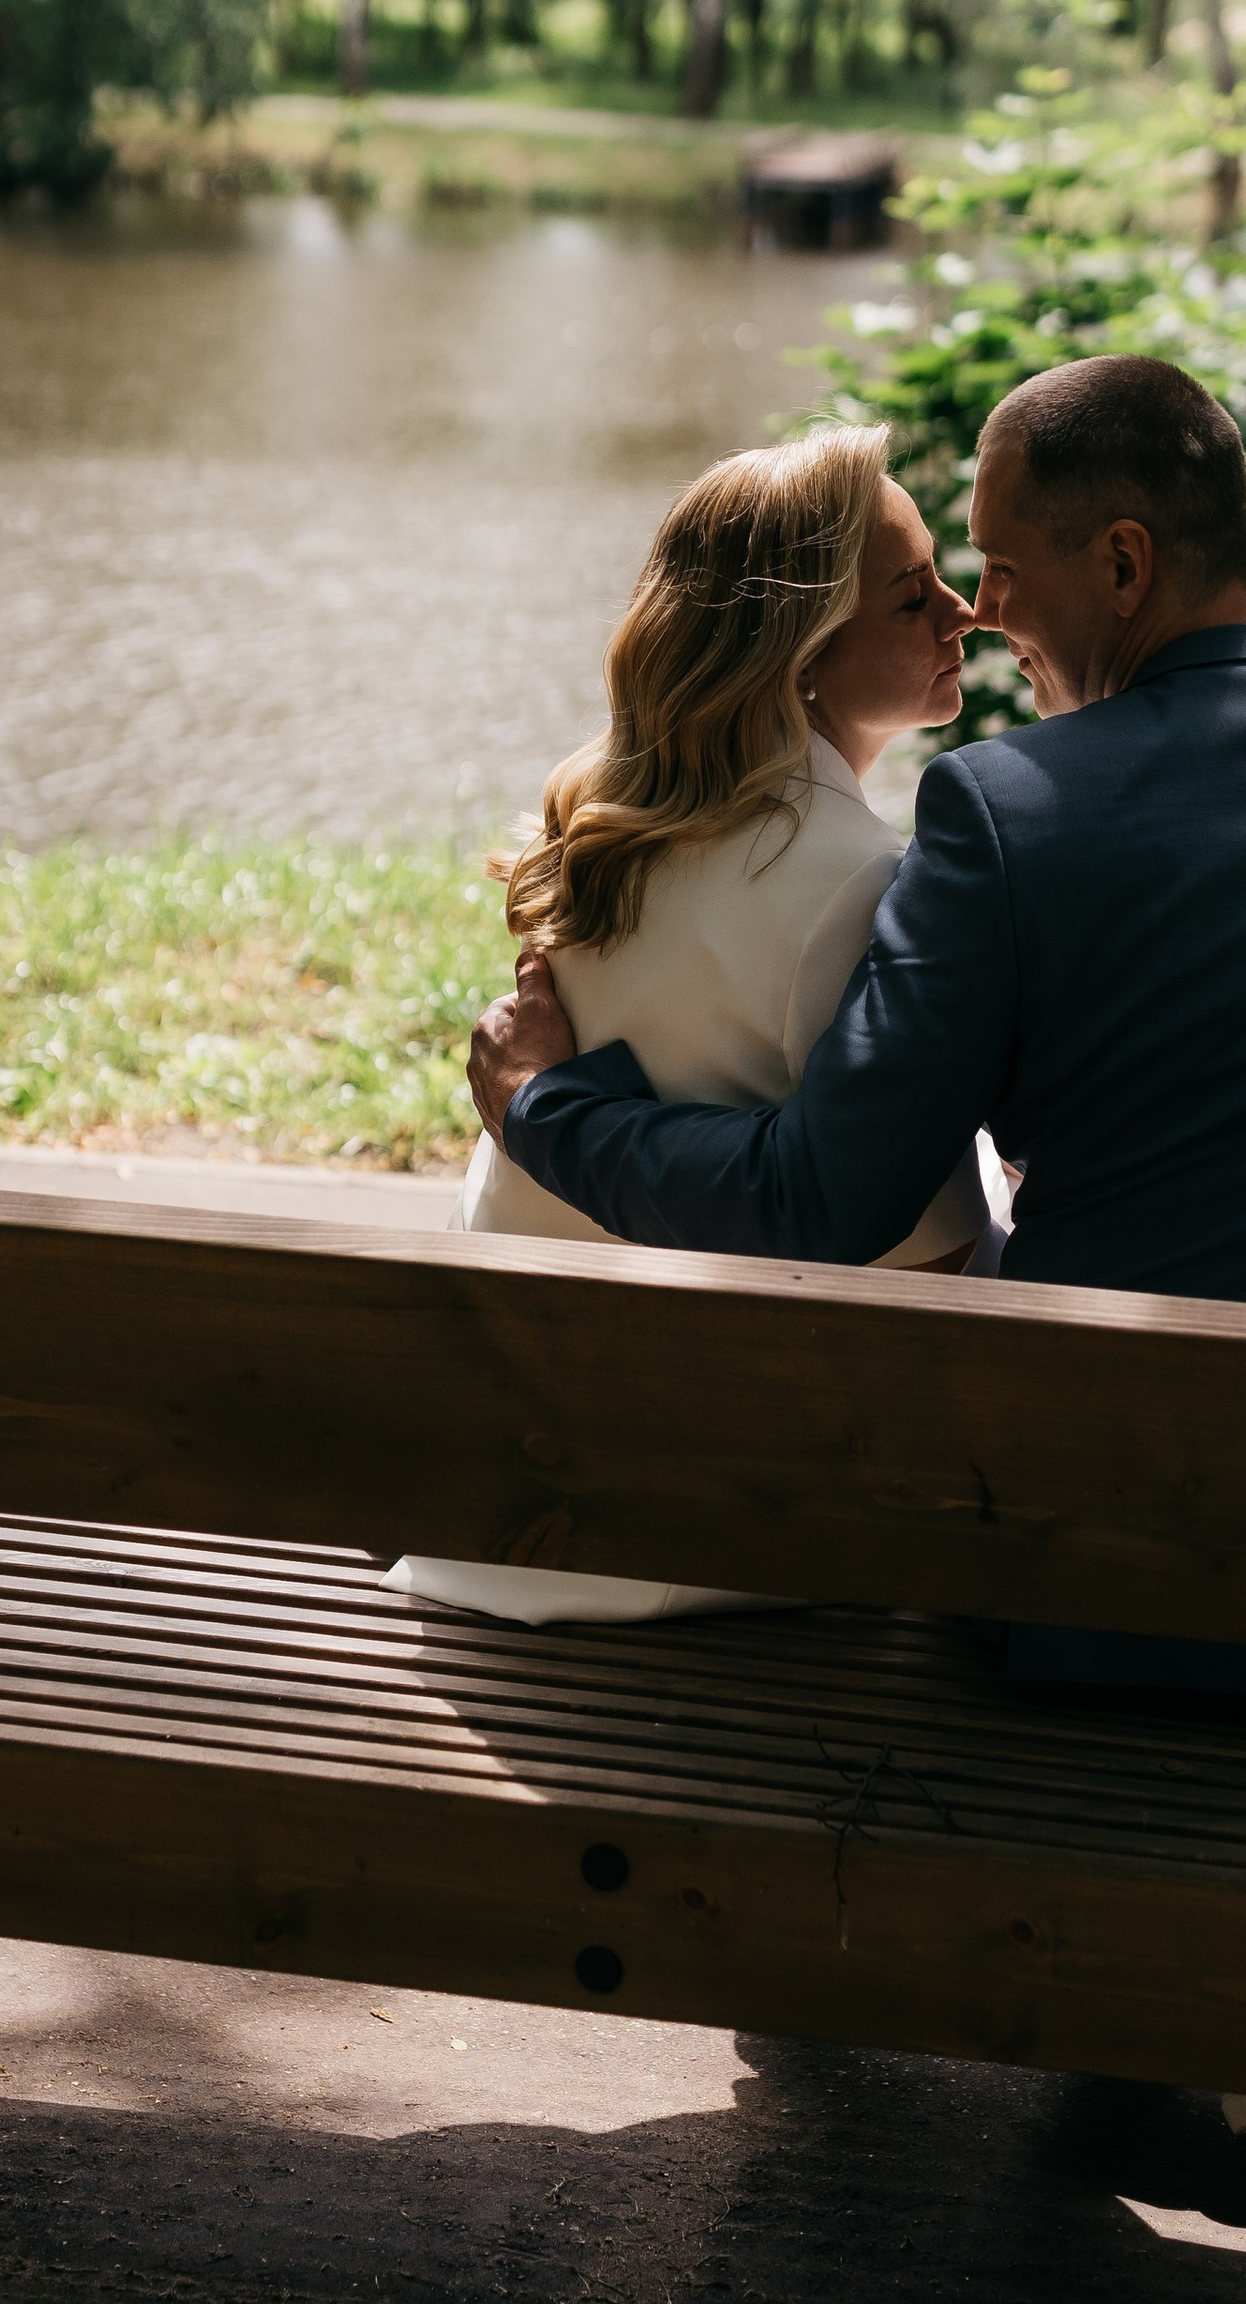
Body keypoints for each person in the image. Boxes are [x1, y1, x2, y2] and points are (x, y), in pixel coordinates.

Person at [467, 351, 1246, 1701]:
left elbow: (821, 1195)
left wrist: (548, 1106)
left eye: (999, 568)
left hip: (1101, 1613)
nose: (981, 618)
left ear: (1123, 565)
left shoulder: (1009, 815)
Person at [395, 421, 993, 1628]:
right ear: (801, 653)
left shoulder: (606, 831)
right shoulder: (857, 882)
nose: (962, 613)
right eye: (908, 594)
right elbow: (918, 1257)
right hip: (681, 1526)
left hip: (497, 1494)